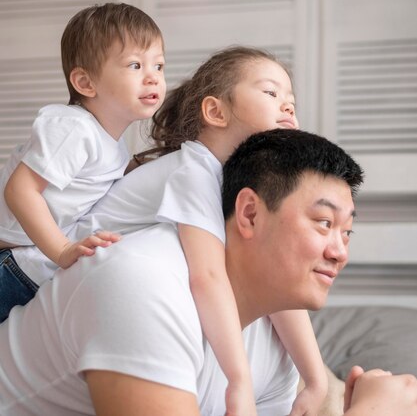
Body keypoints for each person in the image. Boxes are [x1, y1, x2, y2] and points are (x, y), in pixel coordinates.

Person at [1, 129, 417, 416]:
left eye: (348, 231)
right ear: (249, 213)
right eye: (324, 224)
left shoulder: (277, 338)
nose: (340, 251)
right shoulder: (143, 284)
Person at [3, 46, 326, 415]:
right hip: (27, 274)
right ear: (215, 112)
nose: (287, 106)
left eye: (291, 101)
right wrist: (239, 381)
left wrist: (314, 380)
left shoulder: (236, 189)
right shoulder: (196, 171)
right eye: (271, 93)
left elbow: (274, 283)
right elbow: (207, 277)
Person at [0, 2, 166, 323]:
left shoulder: (113, 144)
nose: (153, 78)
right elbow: (20, 191)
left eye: (158, 66)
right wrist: (62, 250)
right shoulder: (74, 128)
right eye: (135, 65)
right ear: (86, 83)